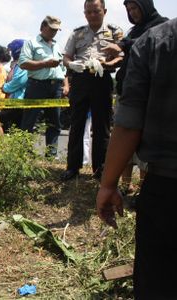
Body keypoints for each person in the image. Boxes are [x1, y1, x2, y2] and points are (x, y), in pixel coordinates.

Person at [96, 16, 177, 299]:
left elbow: (129, 122)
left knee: (159, 285)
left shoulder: (157, 41)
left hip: (168, 192)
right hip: (165, 187)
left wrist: (108, 184)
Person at [103, 0, 167, 193]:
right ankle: (125, 185)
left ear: (146, 6)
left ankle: (143, 189)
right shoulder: (133, 30)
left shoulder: (162, 26)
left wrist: (122, 44)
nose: (132, 12)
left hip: (147, 96)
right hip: (126, 92)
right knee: (124, 141)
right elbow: (127, 56)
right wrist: (110, 64)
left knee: (145, 143)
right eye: (129, 9)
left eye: (135, 8)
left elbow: (149, 42)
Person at [61, 0, 124, 181]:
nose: (92, 15)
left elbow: (122, 56)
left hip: (102, 78)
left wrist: (107, 64)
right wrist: (71, 64)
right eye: (88, 12)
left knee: (101, 125)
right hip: (80, 79)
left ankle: (100, 168)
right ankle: (72, 167)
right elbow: (66, 57)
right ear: (84, 13)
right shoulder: (77, 32)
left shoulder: (114, 31)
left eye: (96, 11)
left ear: (104, 11)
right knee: (77, 123)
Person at [19, 16, 68, 158]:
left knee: (54, 122)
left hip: (56, 87)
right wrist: (46, 63)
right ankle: (23, 153)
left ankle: (51, 154)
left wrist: (65, 85)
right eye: (51, 29)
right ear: (42, 27)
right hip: (37, 85)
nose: (54, 32)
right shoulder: (31, 43)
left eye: (56, 30)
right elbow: (23, 63)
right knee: (30, 120)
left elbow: (62, 69)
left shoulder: (57, 45)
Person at [2, 39, 27, 132]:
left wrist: (5, 87)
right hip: (16, 101)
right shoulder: (18, 63)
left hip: (20, 102)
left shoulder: (23, 63)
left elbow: (18, 81)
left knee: (14, 130)